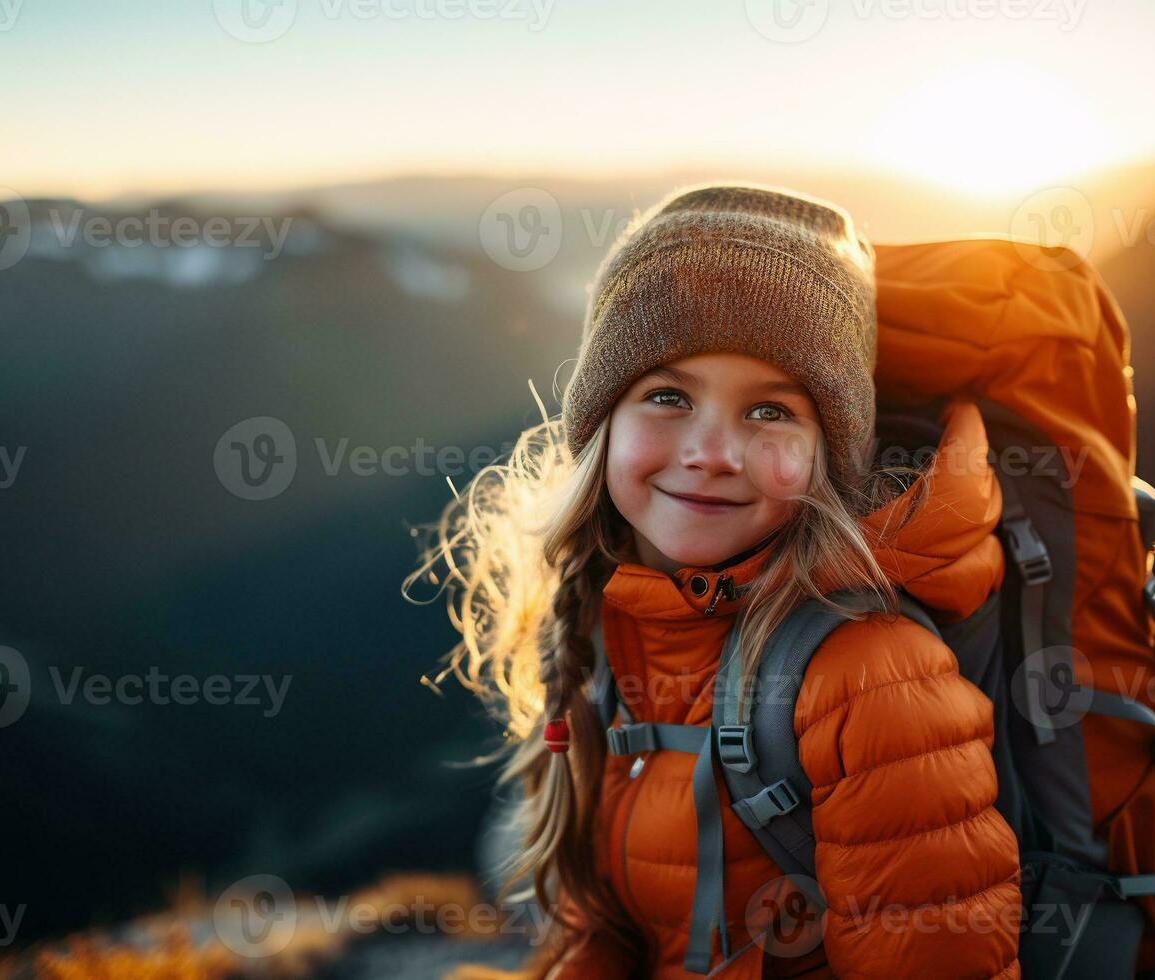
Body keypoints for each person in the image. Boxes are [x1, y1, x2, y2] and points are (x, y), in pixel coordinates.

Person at [408, 182, 1022, 978]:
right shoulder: (607, 630)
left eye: (770, 411)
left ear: (828, 458)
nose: (713, 452)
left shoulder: (872, 679)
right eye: (667, 396)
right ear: (601, 426)